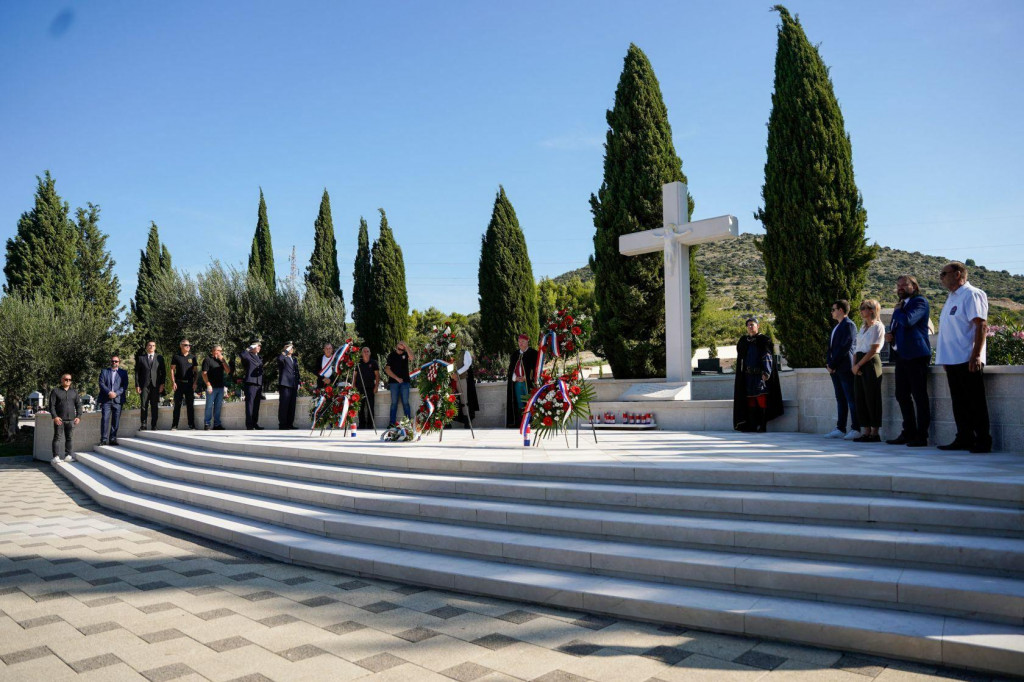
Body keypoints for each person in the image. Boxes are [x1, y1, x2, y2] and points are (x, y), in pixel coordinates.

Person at [935, 262, 991, 453]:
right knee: (959, 403)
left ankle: (983, 440)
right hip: (952, 360)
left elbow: (981, 325)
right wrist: (944, 358)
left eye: (944, 273)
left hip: (967, 358)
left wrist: (975, 355)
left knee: (975, 401)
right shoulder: (951, 297)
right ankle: (964, 437)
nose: (941, 277)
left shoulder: (972, 294)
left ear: (958, 274)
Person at [886, 276, 932, 447]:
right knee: (901, 395)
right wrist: (891, 337)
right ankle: (908, 432)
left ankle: (921, 436)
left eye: (904, 285)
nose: (900, 288)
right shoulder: (902, 305)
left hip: (916, 355)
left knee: (919, 396)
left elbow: (907, 320)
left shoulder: (919, 302)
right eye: (898, 285)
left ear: (914, 286)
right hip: (902, 356)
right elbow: (897, 327)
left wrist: (898, 311)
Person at [733, 317, 784, 432]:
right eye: (749, 325)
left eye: (753, 324)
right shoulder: (744, 341)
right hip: (747, 376)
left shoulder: (764, 340)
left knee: (761, 399)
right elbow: (741, 358)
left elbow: (767, 356)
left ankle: (763, 425)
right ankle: (752, 425)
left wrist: (766, 372)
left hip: (759, 376)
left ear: (758, 326)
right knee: (750, 400)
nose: (751, 327)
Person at [825, 301, 860, 440]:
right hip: (835, 368)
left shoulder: (849, 325)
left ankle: (856, 428)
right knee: (840, 398)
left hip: (845, 368)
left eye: (833, 309)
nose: (832, 312)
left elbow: (845, 347)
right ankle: (840, 428)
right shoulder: (837, 327)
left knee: (851, 398)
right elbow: (831, 348)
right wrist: (829, 363)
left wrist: (833, 364)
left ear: (840, 310)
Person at [852, 299, 885, 443]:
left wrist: (859, 365)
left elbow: (873, 349)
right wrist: (854, 365)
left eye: (864, 308)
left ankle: (874, 432)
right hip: (859, 361)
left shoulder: (877, 327)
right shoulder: (862, 327)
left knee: (872, 397)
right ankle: (865, 430)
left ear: (872, 310)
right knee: (860, 397)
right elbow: (856, 348)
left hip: (870, 362)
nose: (861, 311)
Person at [505, 334, 538, 429]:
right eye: (519, 342)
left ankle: (531, 422)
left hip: (528, 383)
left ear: (527, 341)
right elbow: (511, 369)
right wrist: (515, 377)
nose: (521, 343)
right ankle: (521, 422)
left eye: (523, 341)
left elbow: (535, 369)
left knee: (530, 402)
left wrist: (526, 377)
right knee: (519, 403)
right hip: (518, 383)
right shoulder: (515, 355)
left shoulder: (533, 353)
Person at [48, 373, 82, 464]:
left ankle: (68, 456)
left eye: (69, 380)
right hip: (59, 420)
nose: (68, 381)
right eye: (66, 379)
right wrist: (55, 417)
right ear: (62, 380)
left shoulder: (74, 392)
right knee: (57, 438)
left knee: (69, 438)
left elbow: (78, 405)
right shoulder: (55, 391)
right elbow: (51, 406)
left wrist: (78, 416)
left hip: (71, 420)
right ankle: (55, 457)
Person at [135, 340, 166, 430]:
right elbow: (137, 373)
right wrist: (137, 385)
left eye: (153, 345)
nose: (151, 347)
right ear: (146, 347)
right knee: (144, 405)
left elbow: (163, 372)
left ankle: (154, 425)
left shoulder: (159, 358)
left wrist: (162, 384)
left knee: (154, 405)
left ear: (155, 347)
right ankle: (143, 424)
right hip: (144, 385)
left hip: (155, 385)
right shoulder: (141, 358)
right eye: (149, 345)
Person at [98, 354, 128, 446]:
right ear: (110, 362)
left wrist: (116, 393)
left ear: (119, 363)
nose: (114, 363)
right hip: (106, 400)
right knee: (105, 419)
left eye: (116, 361)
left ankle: (113, 439)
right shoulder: (104, 371)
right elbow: (101, 383)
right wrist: (109, 392)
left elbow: (124, 386)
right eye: (112, 361)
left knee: (116, 420)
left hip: (117, 400)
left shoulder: (123, 373)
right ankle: (103, 439)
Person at [170, 339, 198, 431]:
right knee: (177, 405)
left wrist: (195, 383)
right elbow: (172, 370)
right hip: (179, 383)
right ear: (181, 346)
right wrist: (173, 382)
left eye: (189, 345)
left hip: (189, 384)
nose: (188, 346)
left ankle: (191, 425)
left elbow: (196, 371)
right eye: (186, 345)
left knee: (190, 405)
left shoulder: (193, 357)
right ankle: (174, 425)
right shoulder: (176, 357)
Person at [202, 345, 230, 430]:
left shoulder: (221, 360)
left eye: (221, 351)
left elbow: (228, 371)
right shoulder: (207, 359)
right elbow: (204, 373)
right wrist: (208, 384)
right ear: (214, 351)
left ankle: (217, 424)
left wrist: (223, 361)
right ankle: (207, 423)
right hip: (211, 387)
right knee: (209, 406)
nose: (221, 352)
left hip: (220, 387)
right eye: (219, 350)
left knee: (218, 406)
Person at [384, 341, 413, 425]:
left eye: (402, 349)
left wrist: (406, 346)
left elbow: (412, 358)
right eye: (399, 349)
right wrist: (397, 378)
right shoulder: (391, 355)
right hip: (394, 383)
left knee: (406, 403)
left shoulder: (406, 353)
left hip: (405, 382)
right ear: (396, 347)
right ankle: (392, 423)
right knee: (394, 403)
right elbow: (387, 369)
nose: (400, 351)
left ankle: (408, 423)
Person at [240, 341, 264, 430]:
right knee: (250, 404)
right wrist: (250, 347)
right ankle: (249, 425)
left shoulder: (260, 357)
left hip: (258, 383)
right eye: (257, 346)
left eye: (259, 346)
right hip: (250, 383)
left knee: (256, 405)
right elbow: (242, 355)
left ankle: (255, 423)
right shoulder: (248, 355)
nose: (259, 348)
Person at [355, 346, 380, 429]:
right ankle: (361, 424)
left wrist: (376, 386)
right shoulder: (358, 363)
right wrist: (353, 386)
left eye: (367, 351)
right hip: (359, 388)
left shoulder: (374, 363)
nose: (366, 353)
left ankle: (370, 425)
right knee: (360, 407)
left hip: (370, 388)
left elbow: (377, 375)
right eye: (364, 351)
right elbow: (354, 375)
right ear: (361, 353)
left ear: (370, 353)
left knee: (370, 407)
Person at [454, 347, 478, 428]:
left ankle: (467, 422)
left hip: (462, 379)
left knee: (465, 401)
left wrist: (457, 373)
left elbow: (467, 365)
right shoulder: (449, 353)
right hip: (453, 380)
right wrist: (452, 375)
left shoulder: (465, 353)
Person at [277, 342, 299, 430]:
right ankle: (282, 424)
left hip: (293, 385)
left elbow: (296, 372)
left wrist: (299, 382)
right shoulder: (283, 358)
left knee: (292, 406)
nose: (291, 349)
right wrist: (285, 351)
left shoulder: (294, 359)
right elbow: (279, 359)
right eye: (289, 347)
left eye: (292, 347)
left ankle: (290, 424)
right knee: (284, 405)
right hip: (285, 384)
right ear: (285, 348)